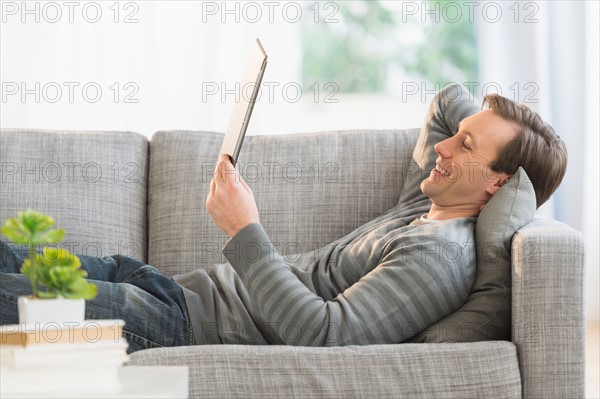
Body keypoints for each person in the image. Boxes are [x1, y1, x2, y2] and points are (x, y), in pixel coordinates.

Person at [0, 84, 567, 353]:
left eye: (465, 147)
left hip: (175, 325)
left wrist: (245, 232)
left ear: (496, 183)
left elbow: (325, 334)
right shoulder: (429, 202)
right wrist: (493, 141)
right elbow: (446, 100)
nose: (444, 149)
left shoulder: (439, 258)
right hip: (166, 287)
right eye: (458, 140)